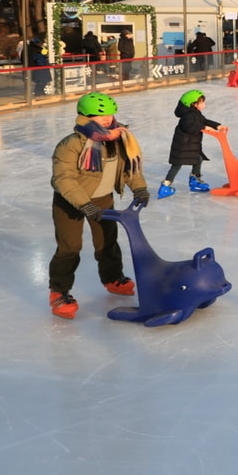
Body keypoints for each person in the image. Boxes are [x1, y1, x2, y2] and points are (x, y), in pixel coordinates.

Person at [47, 92, 152, 319]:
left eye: (109, 113)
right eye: (99, 114)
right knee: (70, 247)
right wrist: (84, 205)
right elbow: (63, 179)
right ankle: (59, 292)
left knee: (107, 242)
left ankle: (112, 278)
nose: (106, 119)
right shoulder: (71, 144)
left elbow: (128, 169)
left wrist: (139, 188)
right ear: (85, 117)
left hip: (103, 198)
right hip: (71, 201)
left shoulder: (118, 139)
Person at [158, 89, 224, 198]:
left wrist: (217, 126)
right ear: (193, 104)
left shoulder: (195, 113)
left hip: (190, 145)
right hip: (183, 146)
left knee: (198, 159)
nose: (204, 104)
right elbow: (188, 127)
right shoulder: (187, 115)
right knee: (177, 165)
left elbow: (204, 120)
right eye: (202, 102)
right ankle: (165, 186)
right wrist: (203, 127)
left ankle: (195, 180)